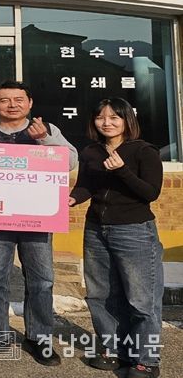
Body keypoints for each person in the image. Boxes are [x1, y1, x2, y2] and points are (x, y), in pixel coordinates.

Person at [0, 80, 78, 365]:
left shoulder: (47, 129)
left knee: (42, 280)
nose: (12, 105)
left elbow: (70, 161)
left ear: (30, 103)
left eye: (19, 99)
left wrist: (44, 140)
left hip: (37, 218)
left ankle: (39, 337)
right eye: (4, 100)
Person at [69, 98, 163, 378]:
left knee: (142, 299)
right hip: (96, 229)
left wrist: (122, 170)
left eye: (114, 117)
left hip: (134, 231)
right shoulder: (91, 151)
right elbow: (86, 186)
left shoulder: (144, 151)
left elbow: (150, 193)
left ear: (127, 120)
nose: (106, 122)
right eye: (100, 117)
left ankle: (146, 360)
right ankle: (113, 350)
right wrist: (72, 198)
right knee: (100, 294)